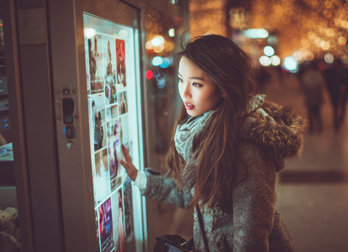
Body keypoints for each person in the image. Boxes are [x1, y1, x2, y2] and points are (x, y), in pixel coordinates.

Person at [120, 34, 305, 251]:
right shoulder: (204, 129)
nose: (185, 93)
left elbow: (251, 236)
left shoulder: (247, 147)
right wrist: (139, 178)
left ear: (224, 87)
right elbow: (194, 193)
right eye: (181, 80)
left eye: (196, 84)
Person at [299, 60, 325, 134]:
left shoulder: (305, 76)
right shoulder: (318, 75)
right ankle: (319, 127)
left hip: (309, 97)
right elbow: (320, 87)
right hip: (316, 96)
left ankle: (312, 128)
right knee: (317, 113)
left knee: (310, 113)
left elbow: (304, 87)